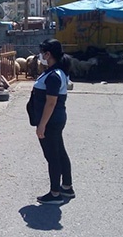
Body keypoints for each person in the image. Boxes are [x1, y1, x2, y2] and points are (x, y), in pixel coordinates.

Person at [31, 38, 74, 205]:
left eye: (42, 53)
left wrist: (42, 124)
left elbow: (51, 102)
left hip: (51, 120)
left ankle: (55, 192)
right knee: (60, 152)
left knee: (52, 156)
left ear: (48, 54)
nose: (40, 56)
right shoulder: (54, 72)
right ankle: (67, 187)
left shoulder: (54, 76)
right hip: (55, 119)